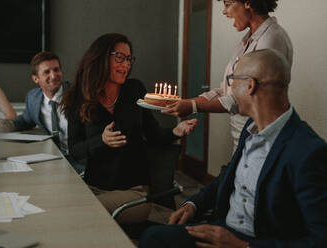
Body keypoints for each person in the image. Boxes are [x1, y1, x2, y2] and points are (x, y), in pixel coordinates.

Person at [139, 49, 327, 248]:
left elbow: (321, 239)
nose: (229, 89)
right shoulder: (250, 127)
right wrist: (193, 205)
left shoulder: (308, 151)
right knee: (154, 238)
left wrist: (242, 246)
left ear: (250, 85)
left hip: (256, 242)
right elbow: (230, 176)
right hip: (223, 227)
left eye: (232, 80)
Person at [61, 33, 198, 224]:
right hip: (93, 187)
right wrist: (101, 141)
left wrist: (176, 131)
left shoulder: (134, 89)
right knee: (66, 208)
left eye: (129, 59)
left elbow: (153, 133)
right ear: (101, 57)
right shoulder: (79, 97)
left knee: (83, 214)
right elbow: (75, 150)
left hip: (134, 193)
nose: (126, 65)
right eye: (120, 58)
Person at [162, 0, 293, 151]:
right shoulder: (246, 41)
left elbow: (245, 98)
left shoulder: (272, 39)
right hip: (242, 137)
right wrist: (184, 102)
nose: (224, 11)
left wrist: (192, 106)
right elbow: (226, 91)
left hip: (261, 139)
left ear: (248, 3)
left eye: (227, 4)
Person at [0, 51, 85, 173]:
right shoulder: (33, 98)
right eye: (47, 72)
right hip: (52, 160)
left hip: (81, 161)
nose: (53, 76)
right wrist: (9, 125)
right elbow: (26, 120)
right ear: (35, 78)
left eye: (56, 70)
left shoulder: (79, 95)